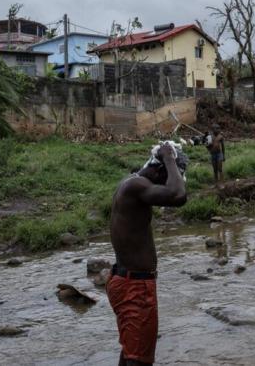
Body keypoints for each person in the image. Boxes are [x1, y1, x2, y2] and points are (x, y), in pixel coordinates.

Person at [106, 142, 188, 366]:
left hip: (126, 281)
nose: (165, 185)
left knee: (131, 351)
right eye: (167, 178)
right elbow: (178, 194)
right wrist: (169, 157)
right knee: (139, 359)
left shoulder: (130, 183)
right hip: (135, 287)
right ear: (159, 169)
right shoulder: (136, 187)